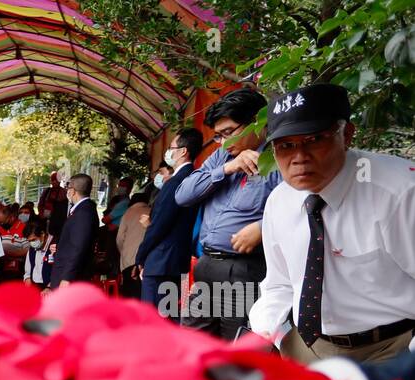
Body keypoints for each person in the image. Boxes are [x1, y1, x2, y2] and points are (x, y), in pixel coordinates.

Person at [249, 83, 415, 363]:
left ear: (346, 134)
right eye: (286, 146)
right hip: (307, 346)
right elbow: (279, 285)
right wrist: (275, 336)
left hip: (390, 347)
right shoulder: (280, 201)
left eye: (314, 140)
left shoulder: (399, 192)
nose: (299, 158)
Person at [174, 87, 282, 339]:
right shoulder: (221, 156)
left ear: (257, 122)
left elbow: (299, 207)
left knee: (232, 348)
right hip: (206, 264)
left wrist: (264, 227)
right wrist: (227, 168)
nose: (224, 142)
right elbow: (183, 194)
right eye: (219, 136)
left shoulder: (278, 158)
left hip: (244, 270)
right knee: (193, 341)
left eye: (229, 133)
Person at [133, 127, 203, 312]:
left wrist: (141, 256)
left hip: (161, 262)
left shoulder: (175, 182)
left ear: (183, 151)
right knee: (168, 318)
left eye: (171, 147)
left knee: (153, 323)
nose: (168, 152)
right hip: (176, 261)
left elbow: (160, 225)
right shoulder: (193, 177)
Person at [44, 174, 98, 290]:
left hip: (71, 277)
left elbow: (78, 247)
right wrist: (60, 247)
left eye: (68, 188)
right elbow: (75, 240)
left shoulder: (83, 213)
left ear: (73, 191)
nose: (66, 191)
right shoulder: (83, 210)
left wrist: (67, 278)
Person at [114, 190, 152, 300]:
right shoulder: (152, 212)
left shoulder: (128, 213)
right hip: (146, 262)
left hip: (129, 261)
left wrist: (123, 252)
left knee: (129, 294)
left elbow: (119, 238)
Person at [22, 219, 50, 290]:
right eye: (29, 241)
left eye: (33, 240)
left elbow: (61, 272)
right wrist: (27, 279)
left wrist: (49, 287)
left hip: (51, 288)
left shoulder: (54, 246)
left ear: (42, 234)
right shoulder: (32, 249)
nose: (31, 243)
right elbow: (27, 271)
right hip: (35, 287)